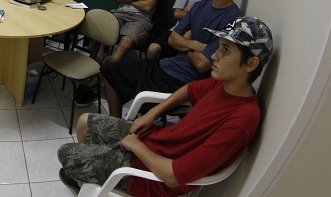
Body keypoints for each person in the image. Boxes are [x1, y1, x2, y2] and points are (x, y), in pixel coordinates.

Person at [58, 16, 274, 196]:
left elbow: (172, 177)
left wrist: (136, 146)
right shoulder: (223, 84)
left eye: (226, 51)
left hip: (152, 176)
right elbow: (189, 90)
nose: (214, 56)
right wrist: (152, 113)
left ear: (251, 63)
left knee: (66, 153)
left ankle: (90, 177)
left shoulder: (242, 119)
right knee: (85, 121)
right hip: (156, 141)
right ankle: (88, 175)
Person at [88, 0, 242, 114]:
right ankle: (115, 126)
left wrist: (183, 44)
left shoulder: (233, 19)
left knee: (139, 95)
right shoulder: (200, 6)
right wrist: (194, 44)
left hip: (186, 80)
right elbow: (172, 39)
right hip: (167, 65)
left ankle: (131, 129)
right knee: (111, 72)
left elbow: (202, 64)